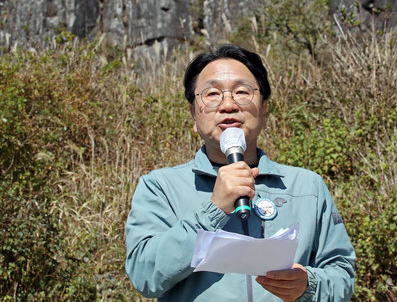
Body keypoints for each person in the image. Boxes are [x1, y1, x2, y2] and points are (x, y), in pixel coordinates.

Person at [125, 44, 355, 301]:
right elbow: (144, 275)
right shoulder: (160, 187)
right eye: (212, 94)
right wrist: (214, 209)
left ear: (264, 110)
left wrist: (308, 285)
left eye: (242, 91)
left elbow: (342, 275)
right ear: (193, 114)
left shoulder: (307, 187)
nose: (228, 105)